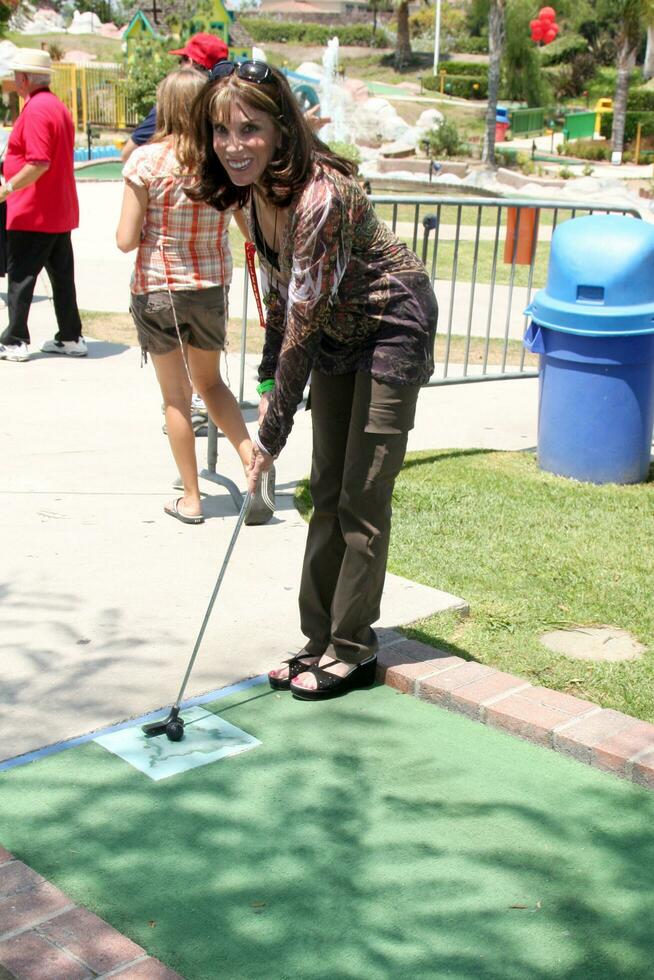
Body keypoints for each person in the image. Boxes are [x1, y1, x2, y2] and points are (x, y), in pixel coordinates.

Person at [186, 62, 437, 698]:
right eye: (220, 130)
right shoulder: (248, 195)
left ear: (281, 131)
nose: (233, 144)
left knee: (362, 493)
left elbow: (303, 321)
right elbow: (281, 304)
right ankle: (317, 638)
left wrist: (266, 436)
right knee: (323, 488)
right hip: (332, 332)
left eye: (249, 128)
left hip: (391, 325)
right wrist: (271, 383)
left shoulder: (320, 200)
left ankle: (353, 647)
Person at [116, 68, 274, 526]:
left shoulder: (146, 162)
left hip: (159, 287)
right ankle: (254, 466)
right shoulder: (219, 164)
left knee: (175, 398)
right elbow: (250, 231)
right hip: (208, 289)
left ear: (164, 106)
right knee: (212, 384)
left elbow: (126, 239)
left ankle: (191, 498)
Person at [0, 49, 86, 363]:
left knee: (21, 276)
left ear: (25, 78)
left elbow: (38, 162)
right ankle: (70, 335)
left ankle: (15, 339)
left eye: (16, 75)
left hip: (33, 210)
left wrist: (7, 188)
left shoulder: (36, 110)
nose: (13, 81)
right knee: (62, 277)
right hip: (58, 209)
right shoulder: (57, 107)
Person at [120, 34, 229, 165]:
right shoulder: (229, 101)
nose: (179, 64)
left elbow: (127, 154)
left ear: (191, 61)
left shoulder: (173, 105)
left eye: (181, 59)